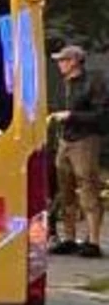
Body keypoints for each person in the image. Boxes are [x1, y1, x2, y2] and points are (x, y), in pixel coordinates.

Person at [50, 45, 106, 258]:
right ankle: (70, 238)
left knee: (87, 186)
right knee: (65, 189)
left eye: (63, 60)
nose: (59, 64)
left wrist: (71, 115)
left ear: (74, 61)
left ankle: (93, 241)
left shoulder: (93, 82)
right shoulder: (64, 85)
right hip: (65, 140)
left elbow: (101, 114)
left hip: (85, 140)